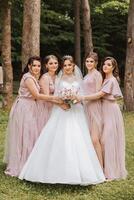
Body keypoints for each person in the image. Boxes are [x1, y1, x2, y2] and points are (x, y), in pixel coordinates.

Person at [19, 55, 105, 185]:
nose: (67, 67)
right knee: (59, 137)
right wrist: (63, 101)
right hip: (61, 111)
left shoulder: (79, 78)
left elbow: (81, 94)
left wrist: (75, 100)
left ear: (73, 66)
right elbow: (55, 95)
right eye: (64, 65)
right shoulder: (58, 78)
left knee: (78, 138)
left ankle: (83, 171)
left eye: (69, 65)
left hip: (76, 110)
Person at [4, 56, 61, 177]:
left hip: (31, 107)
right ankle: (21, 164)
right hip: (24, 107)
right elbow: (37, 95)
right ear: (29, 66)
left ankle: (28, 162)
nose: (36, 68)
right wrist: (57, 98)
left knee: (30, 134)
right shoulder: (28, 78)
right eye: (34, 65)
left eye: (38, 66)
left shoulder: (35, 78)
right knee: (25, 135)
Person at [77, 57, 127, 180]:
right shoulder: (105, 79)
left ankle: (109, 172)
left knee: (107, 140)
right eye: (104, 64)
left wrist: (82, 98)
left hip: (110, 110)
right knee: (103, 140)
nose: (105, 66)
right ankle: (102, 168)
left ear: (113, 67)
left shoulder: (111, 80)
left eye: (108, 65)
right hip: (103, 109)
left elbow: (100, 94)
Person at [82, 52, 103, 168]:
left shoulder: (97, 75)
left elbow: (98, 94)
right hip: (85, 107)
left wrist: (83, 98)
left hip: (94, 107)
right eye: (87, 61)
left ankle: (101, 168)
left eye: (91, 61)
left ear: (96, 63)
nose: (89, 63)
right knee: (88, 139)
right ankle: (93, 166)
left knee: (95, 139)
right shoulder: (86, 76)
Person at [37, 55, 60, 133]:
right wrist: (61, 103)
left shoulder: (58, 77)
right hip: (45, 107)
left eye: (55, 63)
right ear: (46, 65)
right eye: (51, 63)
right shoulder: (45, 78)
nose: (54, 65)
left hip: (55, 106)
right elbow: (47, 97)